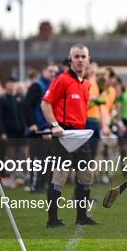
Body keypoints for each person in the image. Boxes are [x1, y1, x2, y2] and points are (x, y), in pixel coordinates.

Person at [41, 43, 97, 227]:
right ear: (70, 59)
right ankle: (52, 219)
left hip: (81, 135)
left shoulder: (87, 84)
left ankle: (82, 217)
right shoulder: (62, 79)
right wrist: (55, 125)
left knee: (86, 175)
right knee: (60, 176)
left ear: (88, 60)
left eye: (83, 56)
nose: (80, 60)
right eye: (77, 56)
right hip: (63, 134)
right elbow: (46, 103)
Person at [22, 64, 58, 193]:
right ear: (44, 71)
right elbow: (26, 105)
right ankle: (35, 185)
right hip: (37, 129)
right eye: (50, 70)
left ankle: (42, 185)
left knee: (46, 159)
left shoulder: (49, 86)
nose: (53, 73)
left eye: (55, 71)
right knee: (37, 159)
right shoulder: (37, 86)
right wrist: (31, 123)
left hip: (46, 127)